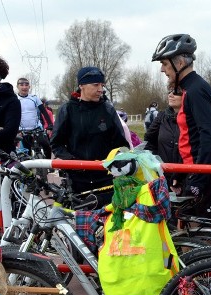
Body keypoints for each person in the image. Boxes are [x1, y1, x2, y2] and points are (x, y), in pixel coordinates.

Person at [80, 149, 178, 295]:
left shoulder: (152, 189)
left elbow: (162, 211)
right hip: (123, 264)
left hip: (145, 263)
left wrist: (130, 207)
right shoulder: (116, 199)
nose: (116, 176)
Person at [152, 33, 211, 218]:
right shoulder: (189, 89)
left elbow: (208, 137)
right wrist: (180, 174)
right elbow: (189, 139)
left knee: (205, 239)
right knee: (191, 234)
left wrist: (198, 180)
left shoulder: (196, 91)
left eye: (164, 64)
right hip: (195, 170)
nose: (162, 70)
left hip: (208, 175)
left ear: (179, 63)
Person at [50, 66, 129, 205]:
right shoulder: (67, 109)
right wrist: (73, 162)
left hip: (105, 179)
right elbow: (56, 144)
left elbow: (121, 145)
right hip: (76, 181)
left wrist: (116, 163)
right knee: (79, 222)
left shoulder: (108, 109)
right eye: (95, 84)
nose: (100, 89)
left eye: (102, 85)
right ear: (81, 85)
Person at [144, 91, 183, 192]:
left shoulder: (193, 118)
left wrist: (179, 174)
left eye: (176, 92)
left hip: (185, 177)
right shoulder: (162, 116)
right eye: (169, 92)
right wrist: (154, 165)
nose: (170, 95)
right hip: (162, 177)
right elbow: (149, 141)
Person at [15, 77, 53, 158]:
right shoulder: (15, 99)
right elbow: (12, 115)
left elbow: (44, 112)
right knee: (26, 154)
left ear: (29, 87)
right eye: (21, 85)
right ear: (17, 87)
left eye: (26, 85)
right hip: (22, 131)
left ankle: (49, 165)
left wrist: (50, 125)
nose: (24, 87)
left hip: (37, 129)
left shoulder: (34, 98)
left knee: (47, 146)